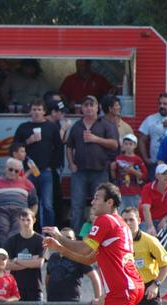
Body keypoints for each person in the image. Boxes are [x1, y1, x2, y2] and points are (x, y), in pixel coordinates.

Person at [66, 95, 119, 233]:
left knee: (100, 205)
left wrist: (96, 139)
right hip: (79, 172)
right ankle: (75, 237)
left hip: (100, 171)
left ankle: (101, 234)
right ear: (82, 109)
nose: (89, 108)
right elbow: (69, 146)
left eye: (92, 105)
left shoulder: (106, 124)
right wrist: (71, 163)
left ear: (97, 108)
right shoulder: (77, 126)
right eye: (86, 105)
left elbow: (114, 144)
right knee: (77, 205)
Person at [13, 99, 62, 227]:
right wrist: (28, 141)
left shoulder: (51, 127)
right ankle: (28, 230)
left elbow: (58, 147)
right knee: (28, 203)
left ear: (44, 111)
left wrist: (54, 166)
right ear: (30, 111)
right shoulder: (23, 127)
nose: (36, 112)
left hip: (46, 171)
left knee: (47, 204)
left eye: (39, 109)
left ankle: (49, 233)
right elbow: (14, 148)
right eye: (34, 109)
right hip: (27, 172)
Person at [5, 209, 44, 305]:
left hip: (35, 289)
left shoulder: (40, 240)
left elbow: (39, 263)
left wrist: (18, 261)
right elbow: (7, 265)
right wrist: (28, 263)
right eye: (23, 220)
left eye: (28, 219)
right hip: (17, 290)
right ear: (19, 221)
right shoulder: (12, 241)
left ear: (34, 220)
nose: (26, 223)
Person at [0, 158, 38, 248]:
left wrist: (31, 215)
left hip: (20, 211)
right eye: (10, 169)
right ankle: (10, 253)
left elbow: (34, 203)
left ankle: (7, 251)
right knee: (3, 229)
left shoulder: (27, 183)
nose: (13, 172)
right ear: (5, 168)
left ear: (20, 172)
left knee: (18, 228)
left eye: (16, 171)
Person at [45, 227, 101, 303]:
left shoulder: (78, 256)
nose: (65, 240)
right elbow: (47, 277)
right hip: (52, 302)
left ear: (74, 240)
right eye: (62, 237)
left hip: (72, 303)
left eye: (69, 238)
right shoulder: (53, 257)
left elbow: (94, 277)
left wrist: (98, 299)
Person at [139, 164, 167, 261]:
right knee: (148, 236)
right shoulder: (148, 188)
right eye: (164, 174)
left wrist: (166, 218)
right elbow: (146, 209)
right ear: (157, 176)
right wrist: (150, 226)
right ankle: (148, 263)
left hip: (166, 221)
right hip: (148, 220)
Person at [138, 93, 167, 167]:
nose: (161, 106)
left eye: (165, 104)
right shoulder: (150, 119)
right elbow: (141, 140)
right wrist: (145, 159)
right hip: (155, 163)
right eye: (160, 103)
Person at [110, 133, 147, 211]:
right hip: (121, 191)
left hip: (134, 191)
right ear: (122, 145)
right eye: (126, 144)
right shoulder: (118, 158)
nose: (128, 146)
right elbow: (114, 176)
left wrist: (133, 171)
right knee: (120, 213)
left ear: (135, 146)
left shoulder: (138, 160)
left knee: (135, 213)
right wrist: (112, 169)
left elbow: (144, 175)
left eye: (130, 144)